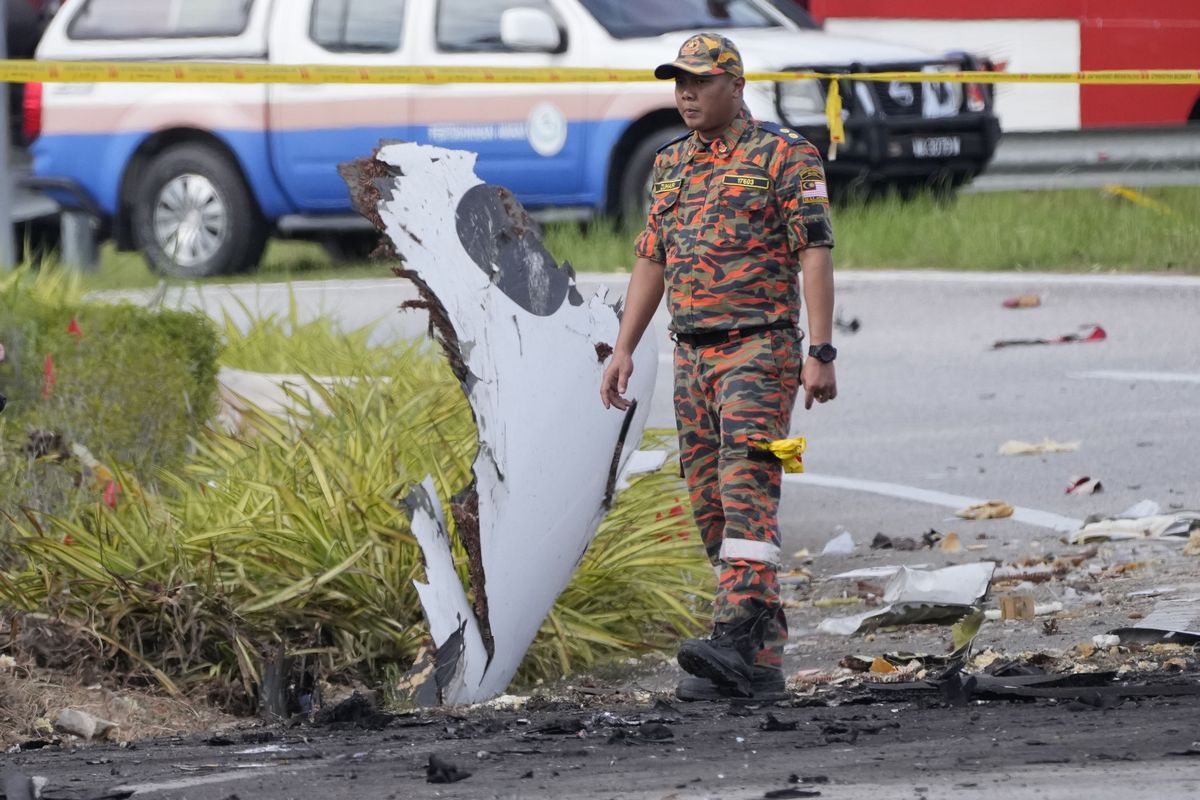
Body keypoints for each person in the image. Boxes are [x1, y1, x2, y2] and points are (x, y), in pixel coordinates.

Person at [599, 33, 837, 701]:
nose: (686, 93)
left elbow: (814, 251)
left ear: (735, 86)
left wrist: (821, 350)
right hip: (693, 353)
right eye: (679, 81)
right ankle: (758, 655)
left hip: (762, 349)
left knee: (750, 483)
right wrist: (624, 347)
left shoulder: (785, 155)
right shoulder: (671, 164)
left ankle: (735, 630)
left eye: (700, 81)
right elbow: (652, 257)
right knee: (707, 500)